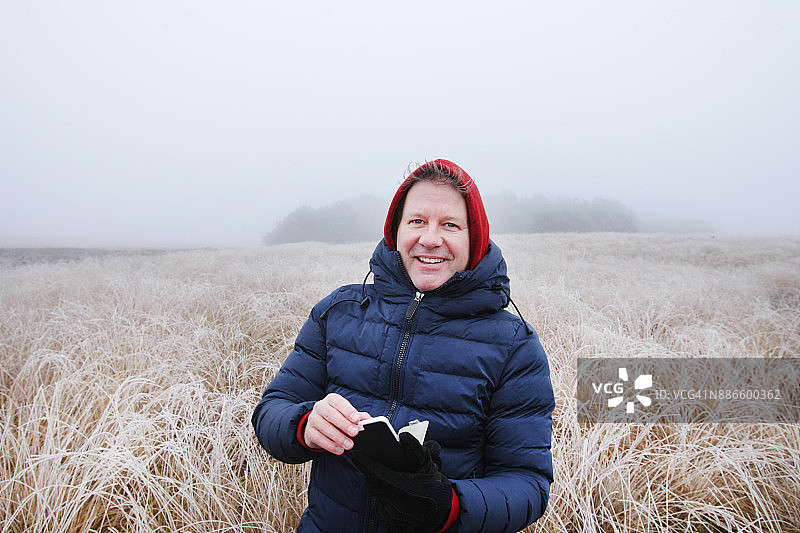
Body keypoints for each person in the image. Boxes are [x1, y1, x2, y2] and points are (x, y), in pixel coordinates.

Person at [252, 159, 555, 532]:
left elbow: (528, 483)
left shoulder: (514, 346)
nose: (430, 239)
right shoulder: (338, 312)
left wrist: (450, 506)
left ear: (473, 239)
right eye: (417, 221)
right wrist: (304, 424)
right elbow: (271, 410)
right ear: (396, 232)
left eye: (450, 224)